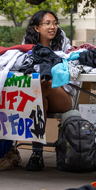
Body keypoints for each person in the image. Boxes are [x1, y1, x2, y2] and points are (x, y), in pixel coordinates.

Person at [22, 9, 73, 171]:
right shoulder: (28, 44)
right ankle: (37, 153)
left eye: (55, 23)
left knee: (45, 84)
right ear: (37, 28)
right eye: (48, 23)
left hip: (63, 96)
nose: (53, 27)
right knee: (40, 100)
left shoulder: (63, 44)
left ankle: (36, 153)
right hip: (40, 99)